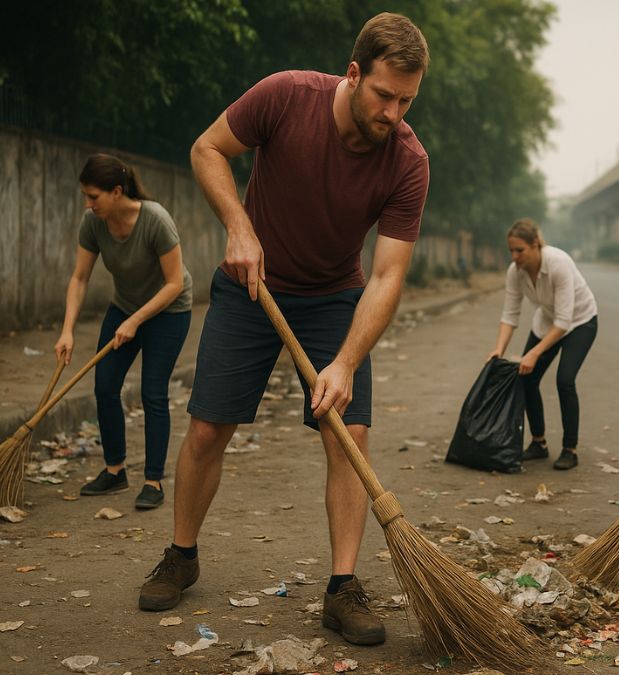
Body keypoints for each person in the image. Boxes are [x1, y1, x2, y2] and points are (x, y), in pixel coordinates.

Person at [136, 13, 430, 648]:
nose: (393, 113)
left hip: (334, 297)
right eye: (384, 95)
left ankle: (343, 587)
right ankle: (182, 554)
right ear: (353, 75)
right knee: (210, 425)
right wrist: (240, 227)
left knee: (346, 433)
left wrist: (346, 361)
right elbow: (206, 148)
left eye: (407, 100)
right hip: (252, 283)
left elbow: (386, 278)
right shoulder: (285, 96)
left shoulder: (407, 161)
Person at [54, 154, 194, 511]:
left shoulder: (155, 220)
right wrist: (67, 331)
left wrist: (136, 321)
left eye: (94, 196)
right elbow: (80, 277)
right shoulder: (93, 222)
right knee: (104, 386)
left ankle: (153, 481)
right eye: (86, 196)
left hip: (168, 310)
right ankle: (115, 470)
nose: (88, 203)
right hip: (125, 306)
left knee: (152, 392)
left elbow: (174, 283)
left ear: (117, 192)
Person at [488, 218, 598, 471]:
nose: (514, 256)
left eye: (520, 250)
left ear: (535, 245)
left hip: (580, 322)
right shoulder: (515, 272)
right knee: (526, 377)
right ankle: (539, 443)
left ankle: (570, 449)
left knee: (565, 380)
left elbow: (565, 320)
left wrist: (534, 353)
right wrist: (499, 349)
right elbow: (510, 315)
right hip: (548, 322)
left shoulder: (558, 263)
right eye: (511, 251)